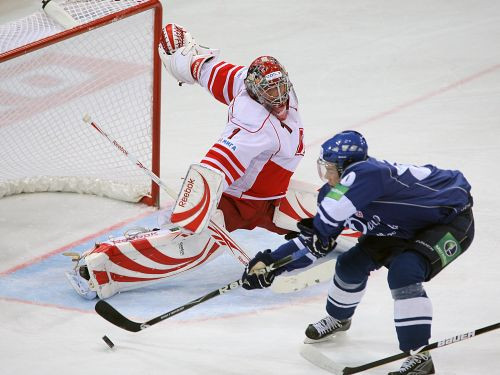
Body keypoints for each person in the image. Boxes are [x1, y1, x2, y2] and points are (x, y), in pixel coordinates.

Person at [64, 23, 316, 300]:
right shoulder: (253, 124)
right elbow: (219, 162)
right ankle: (100, 267)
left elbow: (213, 72)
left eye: (281, 88)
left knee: (333, 217)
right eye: (270, 93)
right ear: (255, 92)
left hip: (272, 199)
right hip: (236, 202)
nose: (279, 98)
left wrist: (183, 58)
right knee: (192, 245)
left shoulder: (249, 82)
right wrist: (194, 205)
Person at [241, 130, 474, 375]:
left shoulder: (369, 174)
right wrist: (272, 263)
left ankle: (419, 354)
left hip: (450, 222)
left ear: (347, 168)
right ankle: (339, 318)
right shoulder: (336, 193)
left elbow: (328, 220)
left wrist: (321, 231)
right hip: (398, 228)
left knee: (404, 273)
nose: (326, 175)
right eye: (325, 167)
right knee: (349, 264)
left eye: (331, 168)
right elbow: (316, 242)